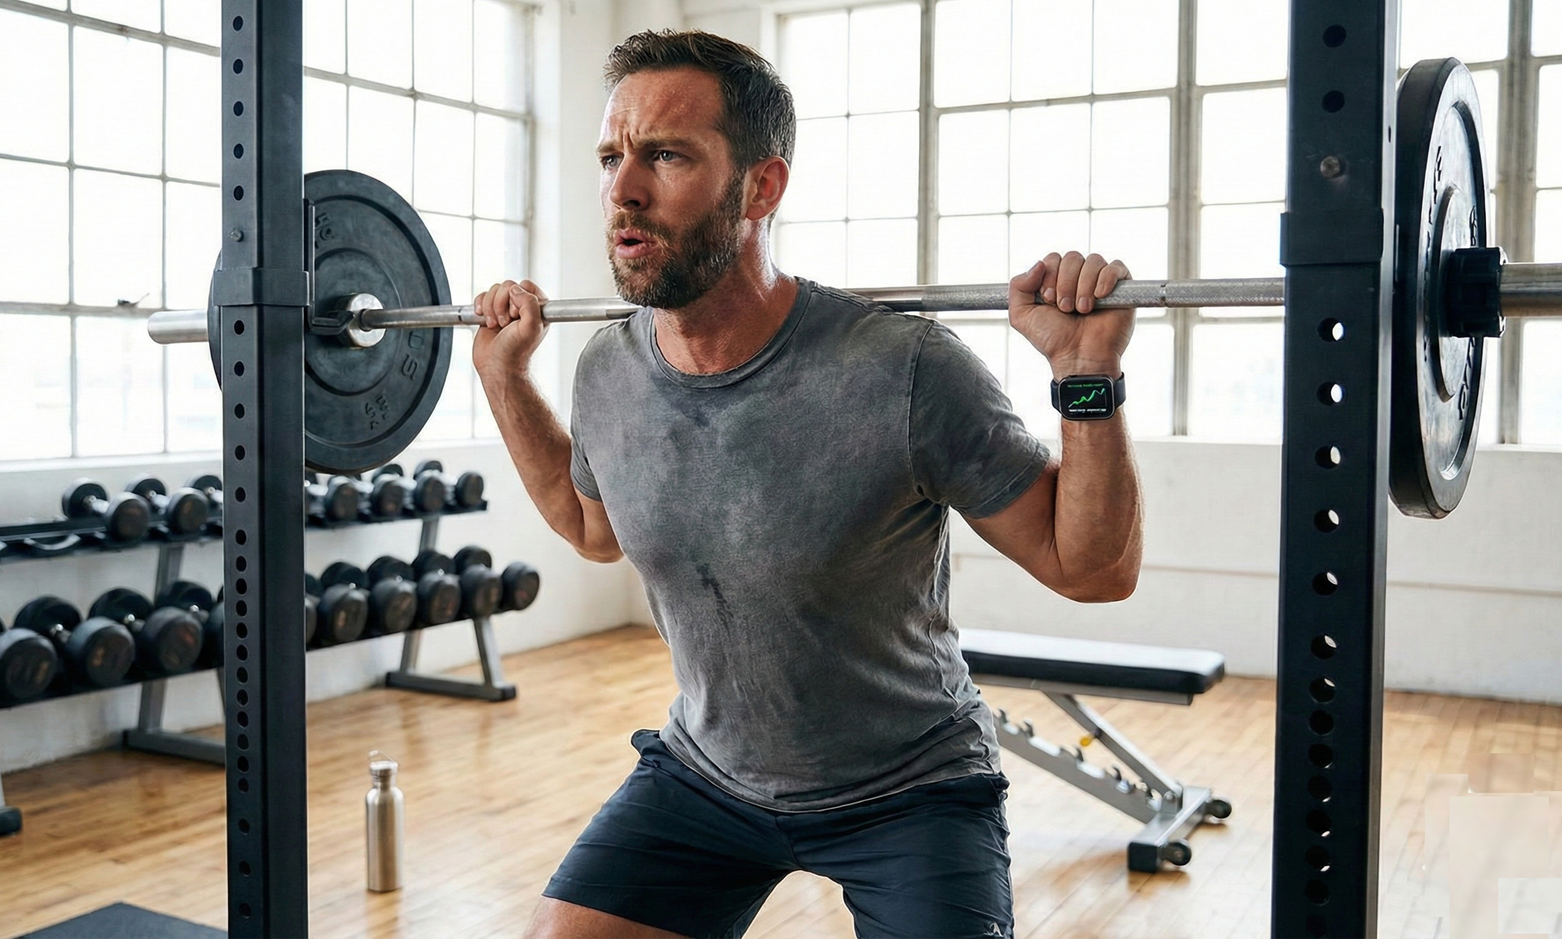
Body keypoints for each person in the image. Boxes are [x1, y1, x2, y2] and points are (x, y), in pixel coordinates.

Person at [471, 29, 1142, 939]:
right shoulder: (607, 370)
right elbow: (596, 528)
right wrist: (505, 379)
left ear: (761, 186)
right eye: (610, 156)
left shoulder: (903, 368)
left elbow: (1091, 568)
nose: (623, 188)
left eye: (666, 155)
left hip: (910, 790)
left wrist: (1084, 374)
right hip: (707, 778)